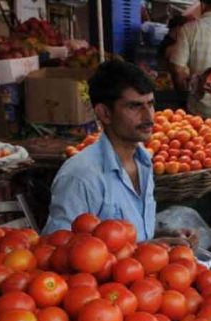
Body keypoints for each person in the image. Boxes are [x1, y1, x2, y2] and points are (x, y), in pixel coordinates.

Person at [44, 61, 158, 242]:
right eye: (134, 106)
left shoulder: (144, 161)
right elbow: (59, 249)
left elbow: (138, 237)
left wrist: (162, 238)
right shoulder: (80, 176)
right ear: (104, 113)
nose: (148, 116)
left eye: (150, 104)